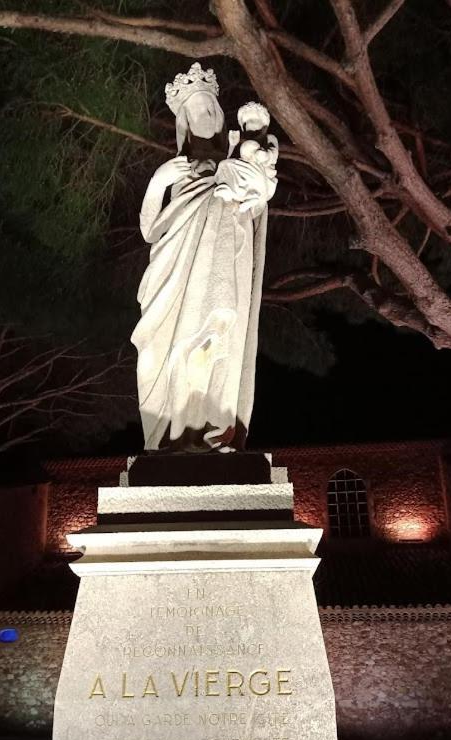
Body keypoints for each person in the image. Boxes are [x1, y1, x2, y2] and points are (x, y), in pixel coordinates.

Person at [130, 64, 278, 452]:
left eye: (211, 108)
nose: (207, 116)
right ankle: (176, 432)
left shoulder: (234, 159)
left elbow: (255, 201)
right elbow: (150, 230)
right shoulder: (175, 169)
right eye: (198, 111)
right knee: (176, 346)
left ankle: (210, 427)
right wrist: (158, 181)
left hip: (224, 261)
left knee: (216, 337)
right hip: (178, 272)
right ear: (184, 120)